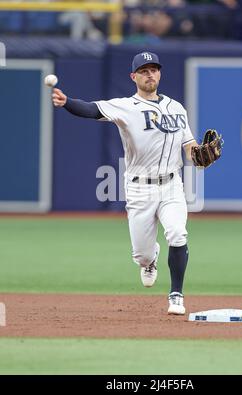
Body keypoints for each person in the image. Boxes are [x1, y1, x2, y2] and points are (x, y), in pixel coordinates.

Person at [52, 52, 199, 315]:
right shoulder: (125, 106)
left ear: (160, 73)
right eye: (144, 71)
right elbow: (90, 109)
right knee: (141, 254)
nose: (150, 74)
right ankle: (149, 260)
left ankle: (176, 294)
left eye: (154, 69)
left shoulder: (177, 108)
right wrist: (67, 102)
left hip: (172, 185)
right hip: (139, 187)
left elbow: (188, 144)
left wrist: (197, 154)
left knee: (178, 233)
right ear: (133, 77)